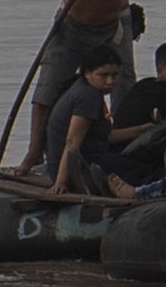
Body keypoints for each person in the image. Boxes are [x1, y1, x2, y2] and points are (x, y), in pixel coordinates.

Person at [14, 0, 147, 176]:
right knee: (47, 88)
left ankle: (120, 146)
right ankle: (34, 151)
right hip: (72, 26)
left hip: (113, 25)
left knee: (123, 85)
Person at [44, 45, 150, 198]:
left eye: (114, 75)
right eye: (103, 75)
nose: (110, 81)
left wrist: (141, 130)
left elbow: (106, 135)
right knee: (146, 170)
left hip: (85, 157)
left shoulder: (88, 91)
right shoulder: (87, 97)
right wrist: (60, 182)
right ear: (88, 73)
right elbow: (72, 142)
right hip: (77, 168)